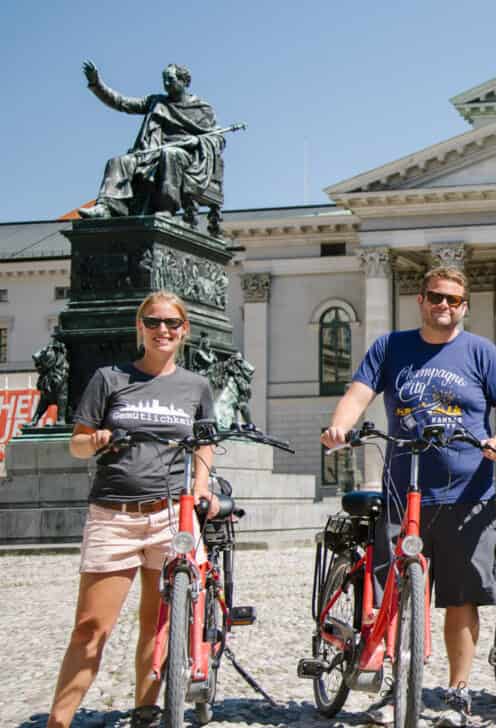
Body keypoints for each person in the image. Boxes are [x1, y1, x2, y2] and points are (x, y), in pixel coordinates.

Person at [321, 267, 496, 727]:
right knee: (394, 593)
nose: (445, 306)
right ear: (421, 299)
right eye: (437, 297)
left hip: (467, 492)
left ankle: (457, 692)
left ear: (464, 306)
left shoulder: (481, 352)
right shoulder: (391, 347)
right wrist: (340, 425)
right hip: (404, 489)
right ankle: (399, 687)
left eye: (454, 300)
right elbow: (358, 393)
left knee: (462, 597)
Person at [47, 291, 218, 728]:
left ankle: (148, 708)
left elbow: (204, 445)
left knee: (159, 624)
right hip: (114, 514)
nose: (164, 330)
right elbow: (77, 443)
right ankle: (58, 722)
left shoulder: (197, 387)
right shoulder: (109, 378)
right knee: (90, 628)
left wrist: (201, 487)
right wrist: (98, 440)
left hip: (169, 516)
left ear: (185, 331)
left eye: (173, 323)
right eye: (154, 322)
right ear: (140, 327)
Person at [77, 62, 224, 220]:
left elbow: (218, 138)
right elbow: (121, 102)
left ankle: (166, 207)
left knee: (170, 154)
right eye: (164, 80)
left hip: (186, 158)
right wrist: (96, 83)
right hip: (151, 153)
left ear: (184, 82)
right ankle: (106, 207)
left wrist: (196, 141)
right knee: (119, 161)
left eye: (171, 79)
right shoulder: (156, 102)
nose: (166, 84)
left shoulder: (202, 109)